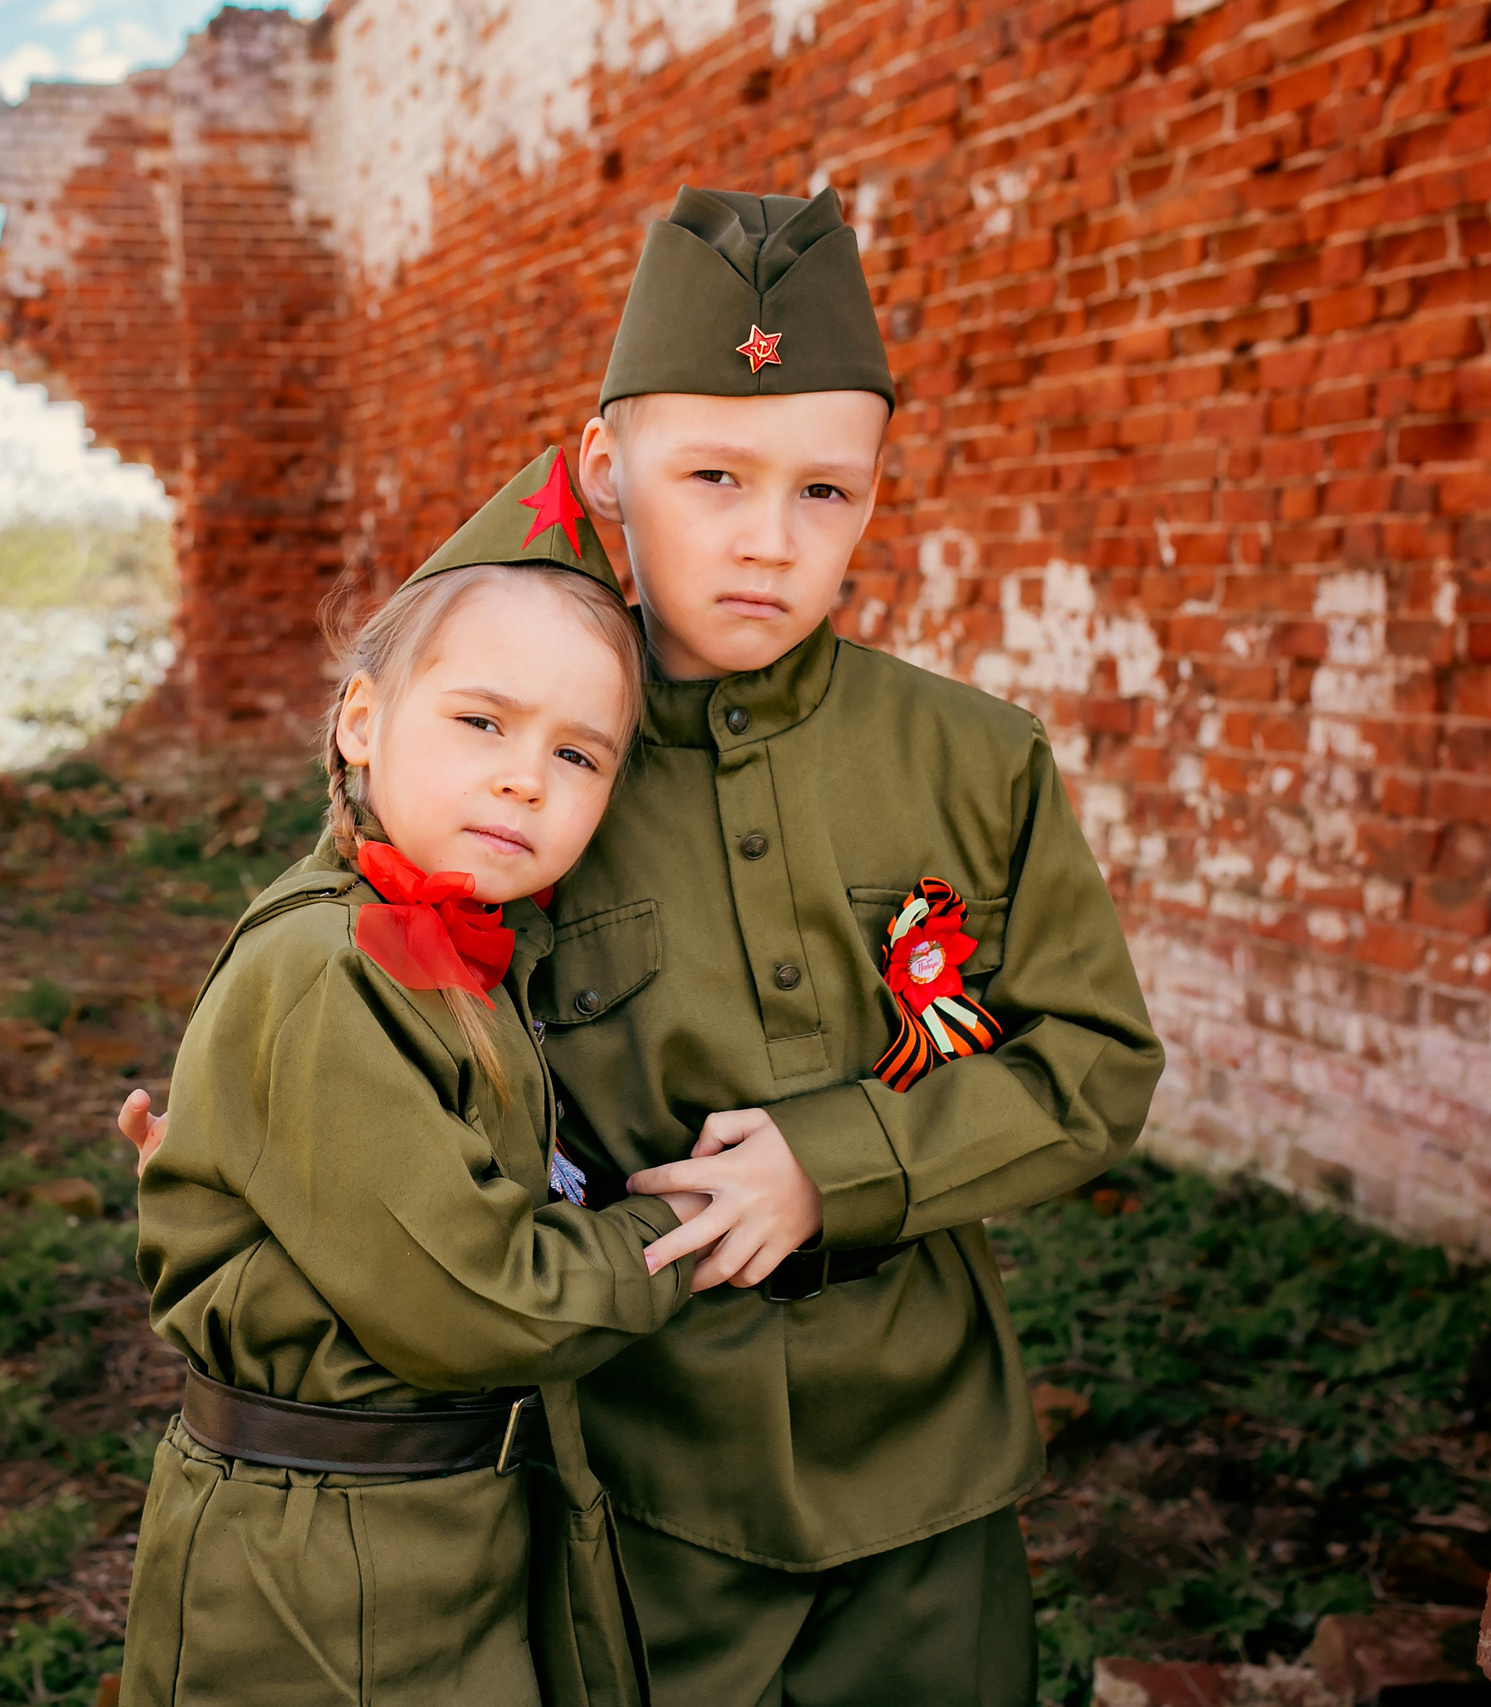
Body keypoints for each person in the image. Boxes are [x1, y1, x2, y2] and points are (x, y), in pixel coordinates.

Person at [528, 185, 1167, 1706]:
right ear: (609, 471)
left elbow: (1093, 1065)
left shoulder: (974, 758)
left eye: (825, 491)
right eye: (715, 477)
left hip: (930, 1466)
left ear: (878, 490)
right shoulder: (527, 762)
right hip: (638, 1464)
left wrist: (834, 1161)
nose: (769, 540)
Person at [117, 448, 703, 1707]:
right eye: (482, 722)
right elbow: (480, 1302)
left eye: (579, 757)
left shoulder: (456, 949)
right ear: (363, 718)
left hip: (431, 1521)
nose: (522, 777)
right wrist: (693, 1224)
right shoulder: (336, 964)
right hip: (324, 1564)